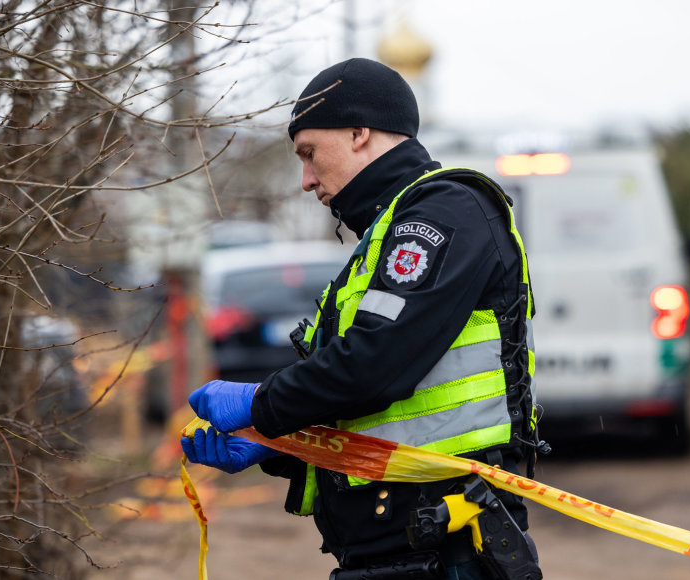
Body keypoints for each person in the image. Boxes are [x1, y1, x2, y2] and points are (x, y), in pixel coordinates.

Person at [181, 58, 543, 580]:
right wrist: (272, 445)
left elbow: (375, 367)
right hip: (400, 551)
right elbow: (385, 417)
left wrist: (261, 403)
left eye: (309, 154)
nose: (306, 180)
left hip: (448, 552)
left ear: (358, 133)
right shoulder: (387, 231)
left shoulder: (443, 212)